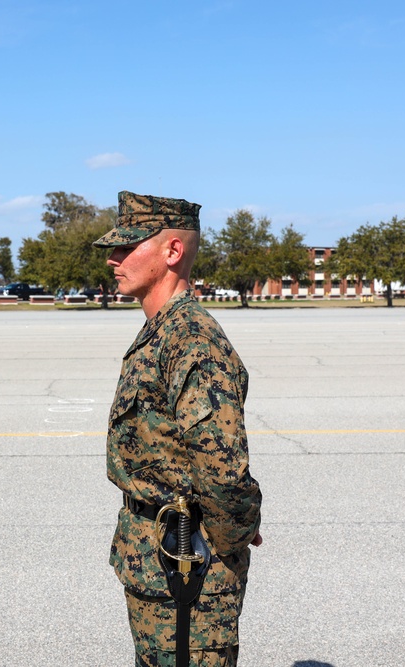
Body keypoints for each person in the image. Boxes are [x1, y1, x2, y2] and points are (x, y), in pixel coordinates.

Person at [93, 191, 263, 667]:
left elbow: (222, 468)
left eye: (128, 247)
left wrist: (235, 528)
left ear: (172, 252)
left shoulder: (191, 339)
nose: (114, 258)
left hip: (189, 565)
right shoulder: (161, 329)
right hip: (157, 559)